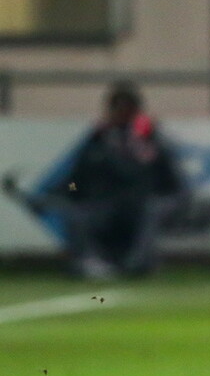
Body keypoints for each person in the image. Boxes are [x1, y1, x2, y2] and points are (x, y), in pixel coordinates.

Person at [2, 81, 187, 279]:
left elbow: (174, 184)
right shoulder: (98, 140)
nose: (121, 113)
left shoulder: (152, 141)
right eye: (118, 108)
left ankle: (138, 263)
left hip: (139, 207)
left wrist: (164, 202)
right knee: (76, 214)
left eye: (127, 108)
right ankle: (89, 262)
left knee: (151, 212)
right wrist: (68, 193)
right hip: (102, 206)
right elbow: (75, 180)